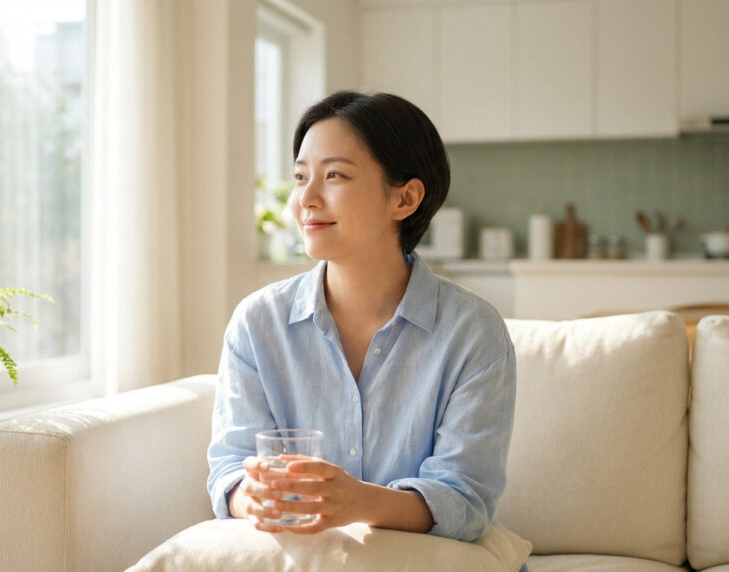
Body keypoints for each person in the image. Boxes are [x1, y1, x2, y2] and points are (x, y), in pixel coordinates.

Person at [207, 90, 516, 543]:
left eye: (334, 175)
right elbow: (230, 468)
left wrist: (359, 502)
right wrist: (248, 495)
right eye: (299, 177)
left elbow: (466, 500)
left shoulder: (473, 333)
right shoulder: (257, 325)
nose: (306, 199)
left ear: (405, 199)